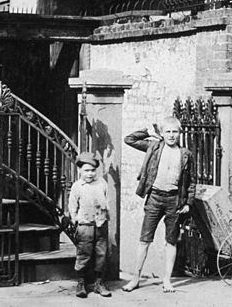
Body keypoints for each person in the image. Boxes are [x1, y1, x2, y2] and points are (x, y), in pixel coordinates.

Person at [122, 117, 196, 293]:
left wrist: (188, 203)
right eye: (168, 131)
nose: (171, 135)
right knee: (145, 240)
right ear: (162, 133)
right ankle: (135, 279)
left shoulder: (185, 154)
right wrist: (148, 131)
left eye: (175, 132)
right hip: (154, 197)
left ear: (180, 133)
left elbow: (191, 181)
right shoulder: (154, 147)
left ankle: (167, 281)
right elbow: (129, 139)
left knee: (171, 241)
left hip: (174, 201)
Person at [67, 151, 112, 298]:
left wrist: (104, 215)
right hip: (85, 225)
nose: (90, 174)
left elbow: (107, 201)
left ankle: (99, 283)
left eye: (93, 170)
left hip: (100, 224)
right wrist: (75, 220)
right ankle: (81, 283)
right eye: (86, 170)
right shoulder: (77, 186)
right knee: (84, 254)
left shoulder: (102, 183)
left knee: (101, 254)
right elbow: (72, 206)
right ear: (79, 170)